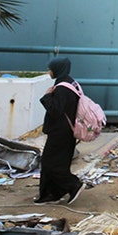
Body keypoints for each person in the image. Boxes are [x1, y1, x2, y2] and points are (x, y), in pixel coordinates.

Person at [36, 57, 86, 205]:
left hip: (60, 132)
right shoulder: (71, 83)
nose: (49, 71)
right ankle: (51, 194)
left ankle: (73, 185)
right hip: (66, 131)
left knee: (50, 164)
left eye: (50, 68)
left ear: (57, 69)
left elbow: (56, 110)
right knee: (57, 163)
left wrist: (46, 96)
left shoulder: (62, 88)